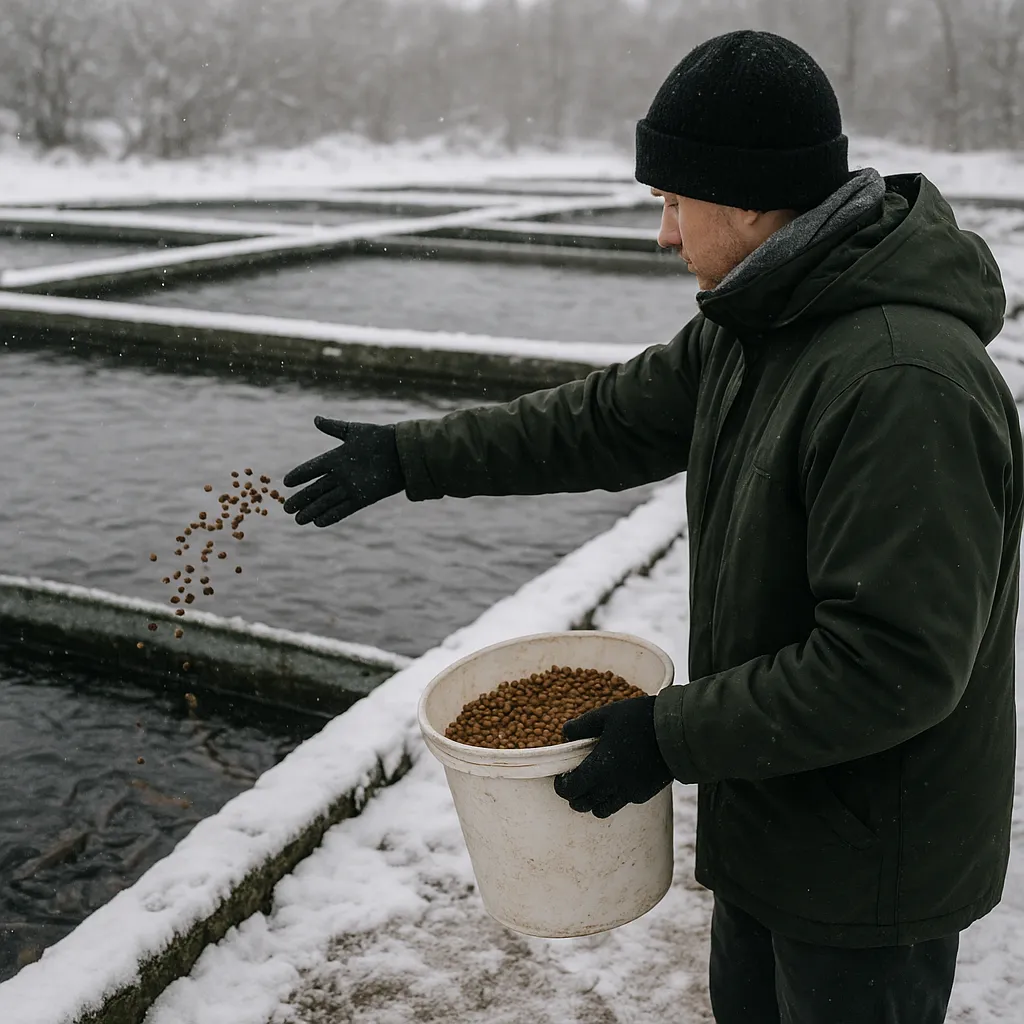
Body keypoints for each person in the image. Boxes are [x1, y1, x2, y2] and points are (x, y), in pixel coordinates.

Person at [282, 30, 1022, 1024]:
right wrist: (413, 458)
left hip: (868, 865)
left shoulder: (900, 381)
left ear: (747, 201)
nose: (662, 235)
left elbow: (890, 666)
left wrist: (667, 733)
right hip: (774, 812)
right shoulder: (758, 321)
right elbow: (603, 421)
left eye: (673, 202)